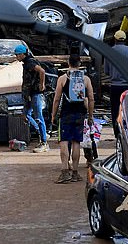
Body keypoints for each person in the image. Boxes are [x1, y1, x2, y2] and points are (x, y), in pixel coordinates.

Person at [51, 53, 94, 183]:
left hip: (66, 114)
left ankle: (65, 172)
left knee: (64, 141)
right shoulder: (86, 79)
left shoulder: (63, 78)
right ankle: (75, 172)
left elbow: (57, 98)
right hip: (80, 114)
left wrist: (53, 115)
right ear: (80, 64)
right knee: (76, 143)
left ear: (68, 63)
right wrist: (90, 115)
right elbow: (91, 98)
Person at [15, 43, 49, 153]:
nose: (16, 57)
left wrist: (42, 84)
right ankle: (42, 132)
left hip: (35, 93)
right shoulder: (26, 63)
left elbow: (42, 71)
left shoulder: (30, 62)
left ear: (22, 54)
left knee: (39, 117)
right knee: (25, 115)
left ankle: (44, 142)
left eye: (17, 55)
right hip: (29, 94)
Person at [104, 31, 128, 138]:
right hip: (127, 87)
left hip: (114, 87)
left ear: (114, 39)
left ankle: (117, 133)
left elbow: (106, 71)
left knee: (115, 110)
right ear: (125, 39)